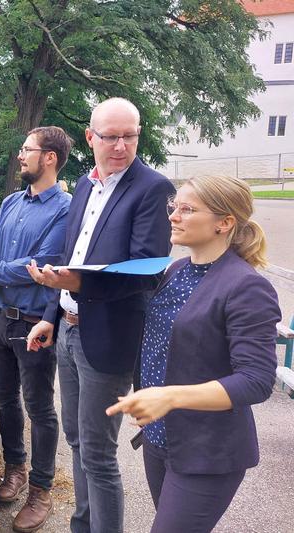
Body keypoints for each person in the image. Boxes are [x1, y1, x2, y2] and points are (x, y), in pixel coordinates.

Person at [26, 98, 176, 533]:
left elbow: (146, 272)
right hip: (70, 334)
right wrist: (51, 315)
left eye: (130, 135)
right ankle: (82, 525)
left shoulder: (152, 188)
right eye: (111, 137)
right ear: (91, 138)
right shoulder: (86, 185)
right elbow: (72, 256)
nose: (121, 146)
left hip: (109, 339)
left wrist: (78, 285)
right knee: (76, 440)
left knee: (98, 453)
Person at [106, 175, 280, 532]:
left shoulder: (247, 287)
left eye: (187, 209)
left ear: (224, 222)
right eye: (174, 207)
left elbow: (257, 380)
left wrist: (169, 397)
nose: (173, 216)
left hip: (208, 452)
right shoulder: (176, 270)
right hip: (160, 439)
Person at [0, 126, 72, 532]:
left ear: (49, 157)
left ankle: (41, 490)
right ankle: (14, 469)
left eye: (27, 150)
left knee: (40, 408)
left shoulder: (65, 209)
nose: (20, 156)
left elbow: (40, 268)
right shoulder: (10, 202)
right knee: (5, 401)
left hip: (34, 326)